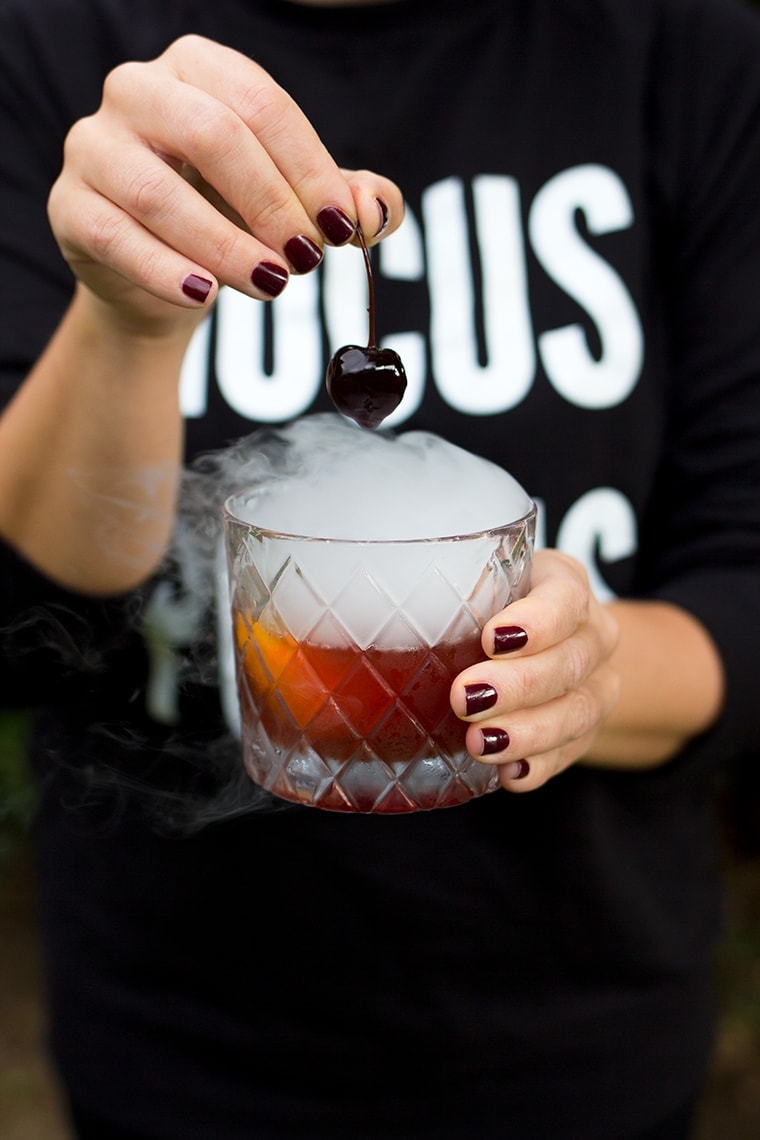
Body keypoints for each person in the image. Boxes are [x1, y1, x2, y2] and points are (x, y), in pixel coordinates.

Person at [0, 0, 758, 1136]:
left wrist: (587, 668)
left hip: (580, 1025)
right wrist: (126, 322)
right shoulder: (48, 36)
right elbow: (36, 614)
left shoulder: (685, 41)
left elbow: (743, 571)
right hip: (182, 1038)